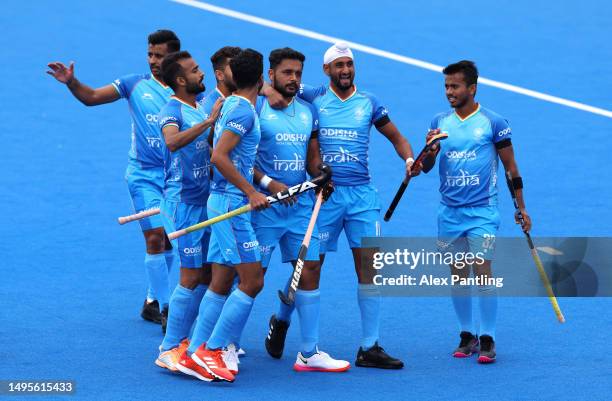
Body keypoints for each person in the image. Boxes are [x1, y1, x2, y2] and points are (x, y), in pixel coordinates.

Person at [262, 42, 414, 369]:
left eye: (350, 65)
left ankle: (369, 346)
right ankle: (283, 317)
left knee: (370, 269)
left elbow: (398, 138)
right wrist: (264, 88)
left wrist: (409, 158)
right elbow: (270, 83)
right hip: (323, 197)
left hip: (361, 198)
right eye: (339, 65)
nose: (345, 70)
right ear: (327, 69)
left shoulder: (369, 103)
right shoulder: (312, 94)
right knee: (308, 268)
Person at [46, 30, 181, 324]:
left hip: (175, 179)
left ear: (174, 56)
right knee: (155, 237)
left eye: (160, 55)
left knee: (170, 239)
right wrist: (71, 82)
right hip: (143, 175)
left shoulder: (186, 90)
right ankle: (168, 309)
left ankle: (151, 300)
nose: (153, 61)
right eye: (150, 54)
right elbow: (92, 97)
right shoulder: (135, 84)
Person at [420, 60, 531, 364]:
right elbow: (426, 167)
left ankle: (488, 337)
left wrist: (521, 208)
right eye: (446, 86)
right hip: (449, 212)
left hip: (482, 211)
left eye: (454, 86)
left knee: (482, 270)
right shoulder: (439, 121)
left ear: (472, 88)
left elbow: (511, 169)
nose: (449, 92)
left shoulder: (494, 122)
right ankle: (466, 334)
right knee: (458, 274)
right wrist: (428, 153)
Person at [253, 47, 349, 372]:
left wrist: (321, 174)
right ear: (271, 75)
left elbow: (312, 160)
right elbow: (241, 161)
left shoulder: (309, 112)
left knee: (309, 271)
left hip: (300, 207)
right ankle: (223, 345)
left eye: (298, 73)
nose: (293, 79)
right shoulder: (255, 107)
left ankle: (308, 352)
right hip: (264, 207)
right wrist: (269, 184)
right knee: (253, 277)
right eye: (287, 73)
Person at [188, 49, 267, 383]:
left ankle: (194, 350)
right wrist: (251, 192)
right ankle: (213, 349)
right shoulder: (244, 111)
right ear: (262, 79)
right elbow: (219, 157)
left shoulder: (232, 104)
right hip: (233, 205)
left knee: (221, 281)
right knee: (252, 281)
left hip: (225, 202)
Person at [153, 51, 222, 374]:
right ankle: (168, 347)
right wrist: (209, 123)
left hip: (204, 203)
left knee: (208, 274)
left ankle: (191, 341)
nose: (201, 74)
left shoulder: (196, 106)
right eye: (195, 71)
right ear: (180, 80)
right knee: (191, 277)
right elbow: (171, 143)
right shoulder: (172, 110)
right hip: (184, 207)